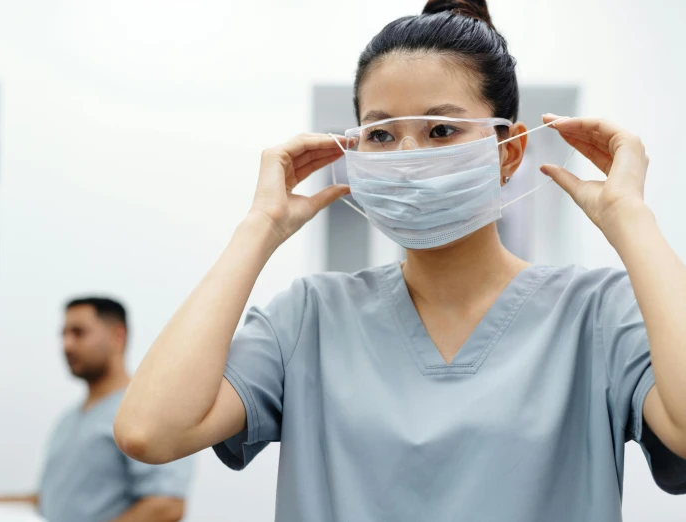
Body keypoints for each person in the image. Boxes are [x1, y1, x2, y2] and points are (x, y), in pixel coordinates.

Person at [114, 1, 686, 521]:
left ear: (508, 151)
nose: (408, 157)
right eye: (382, 135)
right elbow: (149, 431)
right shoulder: (309, 317)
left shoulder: (598, 316)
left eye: (440, 129)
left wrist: (631, 218)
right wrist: (257, 228)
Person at [0, 297, 194, 522]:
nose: (66, 344)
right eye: (63, 334)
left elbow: (166, 505)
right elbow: (49, 500)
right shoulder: (69, 420)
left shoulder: (147, 413)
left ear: (117, 337)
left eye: (78, 333)